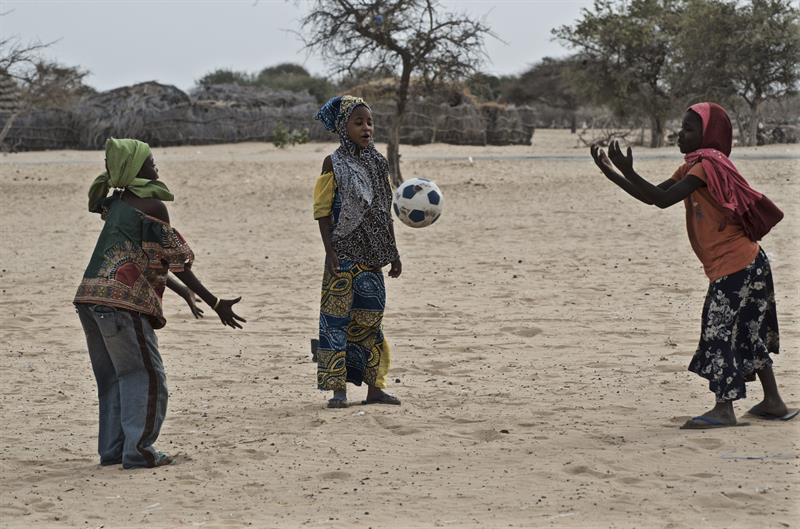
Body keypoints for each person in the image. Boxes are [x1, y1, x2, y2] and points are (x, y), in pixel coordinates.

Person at [589, 102, 795, 429]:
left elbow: (660, 199)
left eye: (688, 129)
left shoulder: (705, 168)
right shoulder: (696, 166)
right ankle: (772, 402)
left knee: (718, 332)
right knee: (746, 333)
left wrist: (627, 170)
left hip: (736, 265)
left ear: (707, 135)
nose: (679, 134)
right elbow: (654, 196)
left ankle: (724, 409)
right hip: (751, 263)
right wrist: (612, 172)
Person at [74, 138, 246, 468]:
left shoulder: (119, 202)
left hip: (89, 300)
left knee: (113, 378)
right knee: (146, 375)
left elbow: (138, 260)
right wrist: (216, 303)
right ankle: (139, 451)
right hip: (123, 306)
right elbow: (179, 263)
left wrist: (183, 293)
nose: (156, 165)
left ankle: (113, 450)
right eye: (149, 161)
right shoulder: (152, 205)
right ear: (133, 168)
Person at [312, 95, 402, 409]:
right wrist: (329, 251)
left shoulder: (378, 162)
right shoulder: (332, 163)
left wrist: (394, 251)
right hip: (341, 254)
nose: (366, 128)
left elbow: (383, 209)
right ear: (343, 127)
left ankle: (375, 387)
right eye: (358, 122)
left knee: (370, 322)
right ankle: (338, 390)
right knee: (335, 321)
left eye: (370, 122)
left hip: (372, 256)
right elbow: (322, 211)